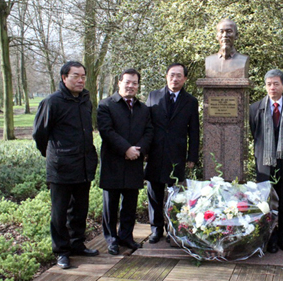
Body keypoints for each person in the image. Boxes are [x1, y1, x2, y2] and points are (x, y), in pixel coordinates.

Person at [33, 61, 99, 269]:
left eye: (83, 76)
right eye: (75, 76)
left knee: (80, 209)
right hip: (61, 167)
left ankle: (77, 244)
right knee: (60, 212)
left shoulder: (86, 101)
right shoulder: (52, 102)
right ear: (64, 78)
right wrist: (53, 154)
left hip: (84, 165)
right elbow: (40, 134)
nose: (80, 80)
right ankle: (61, 251)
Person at [97, 68, 154, 255]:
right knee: (110, 205)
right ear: (119, 82)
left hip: (134, 162)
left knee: (130, 204)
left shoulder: (143, 108)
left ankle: (126, 237)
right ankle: (111, 239)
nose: (131, 86)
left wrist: (139, 149)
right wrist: (126, 149)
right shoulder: (106, 105)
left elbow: (149, 131)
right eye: (127, 82)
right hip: (113, 161)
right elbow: (107, 131)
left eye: (135, 83)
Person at [145, 63, 200, 244]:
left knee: (176, 196)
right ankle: (155, 229)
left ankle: (173, 229)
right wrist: (144, 150)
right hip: (154, 153)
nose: (174, 79)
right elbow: (145, 125)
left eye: (179, 76)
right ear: (166, 76)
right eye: (171, 75)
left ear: (184, 79)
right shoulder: (153, 96)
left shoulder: (190, 101)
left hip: (176, 155)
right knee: (154, 194)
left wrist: (192, 157)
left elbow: (194, 131)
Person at [249, 69, 283, 254]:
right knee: (266, 204)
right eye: (269, 84)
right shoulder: (255, 108)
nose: (272, 88)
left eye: (276, 84)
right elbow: (255, 133)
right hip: (264, 164)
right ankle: (270, 239)